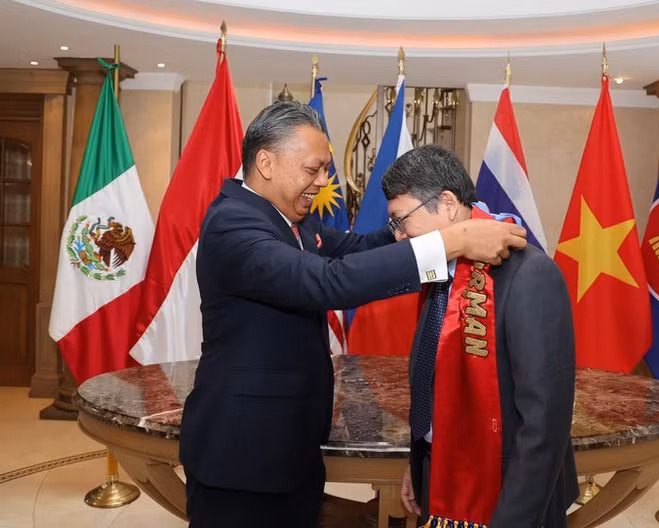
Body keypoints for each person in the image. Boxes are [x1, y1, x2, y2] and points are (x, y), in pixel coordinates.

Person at [178, 101, 528, 527]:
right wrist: (454, 242)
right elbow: (330, 282)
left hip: (289, 451)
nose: (323, 182)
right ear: (266, 163)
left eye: (325, 169)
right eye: (313, 169)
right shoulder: (233, 224)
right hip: (241, 457)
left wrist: (417, 224)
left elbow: (359, 249)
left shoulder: (294, 222)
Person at [384, 145, 578, 528]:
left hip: (508, 493)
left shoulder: (530, 275)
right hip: (439, 476)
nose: (399, 236)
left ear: (447, 204)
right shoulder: (439, 272)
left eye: (401, 220)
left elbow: (544, 424)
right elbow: (432, 379)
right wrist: (421, 462)